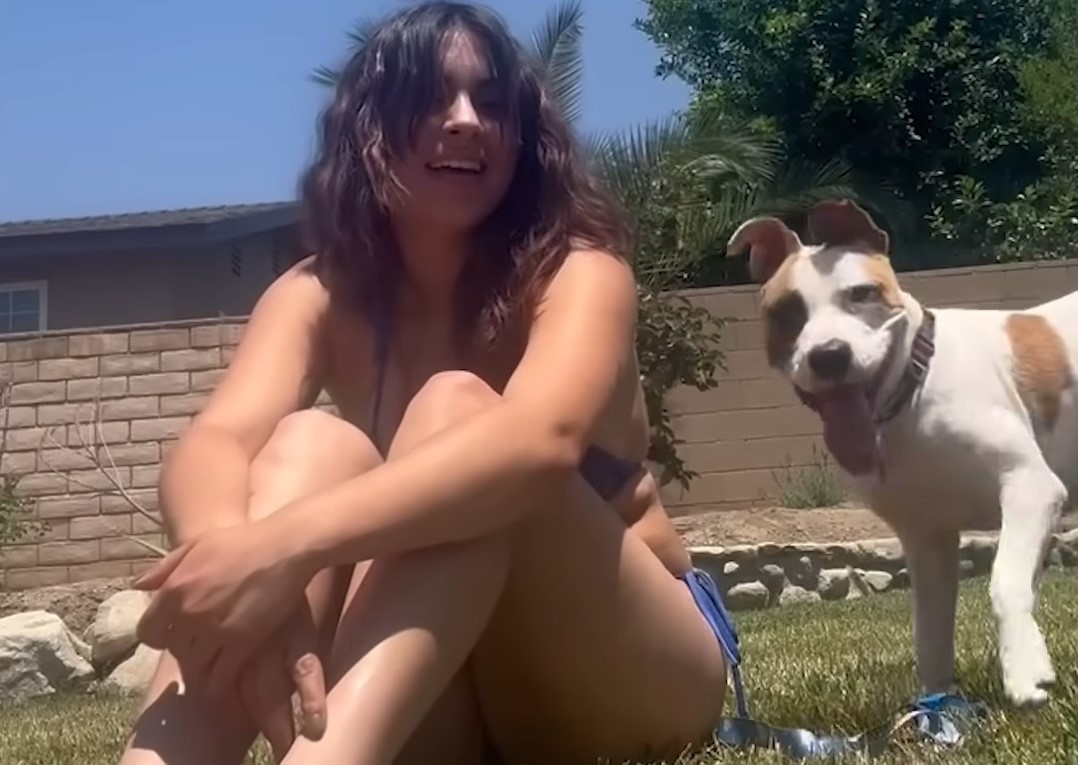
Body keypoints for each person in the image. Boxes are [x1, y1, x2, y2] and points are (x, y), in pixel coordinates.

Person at [117, 3, 735, 764]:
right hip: (420, 684)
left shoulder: (579, 272)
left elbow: (537, 444)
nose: (467, 120)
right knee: (305, 441)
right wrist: (231, 558)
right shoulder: (317, 293)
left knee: (456, 412)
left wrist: (285, 547)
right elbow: (215, 440)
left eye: (492, 102)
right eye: (432, 97)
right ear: (371, 127)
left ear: (523, 138)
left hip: (621, 674)